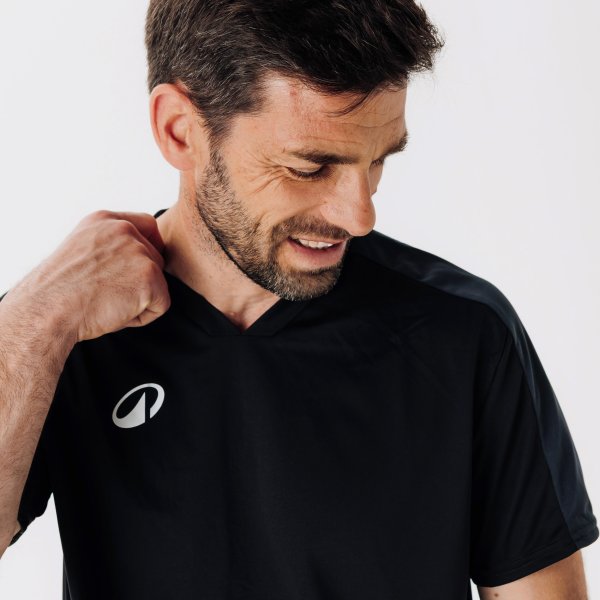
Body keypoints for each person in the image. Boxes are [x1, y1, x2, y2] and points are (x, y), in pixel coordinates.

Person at [0, 0, 596, 598]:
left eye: (377, 161)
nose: (359, 216)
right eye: (310, 168)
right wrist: (37, 322)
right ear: (180, 130)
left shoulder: (462, 332)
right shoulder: (63, 331)